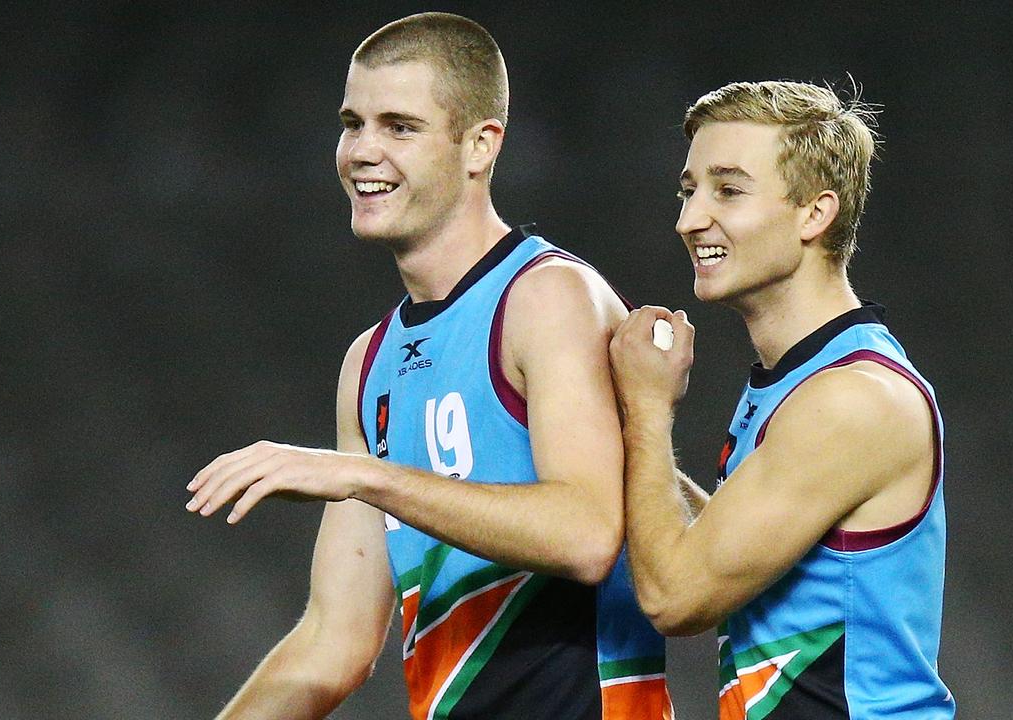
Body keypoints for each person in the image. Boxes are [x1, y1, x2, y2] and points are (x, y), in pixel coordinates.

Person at [186, 13, 675, 720]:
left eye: (400, 127)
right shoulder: (371, 362)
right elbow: (334, 643)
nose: (362, 151)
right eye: (353, 123)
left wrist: (366, 476)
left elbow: (587, 534)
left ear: (480, 145)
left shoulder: (546, 297)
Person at [608, 80, 955, 718]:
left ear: (814, 214)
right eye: (688, 191)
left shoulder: (850, 400)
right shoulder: (804, 379)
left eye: (728, 191)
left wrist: (647, 413)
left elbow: (674, 598)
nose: (689, 220)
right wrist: (623, 427)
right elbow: (733, 548)